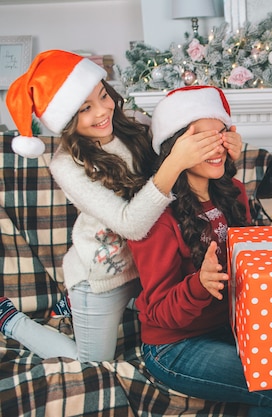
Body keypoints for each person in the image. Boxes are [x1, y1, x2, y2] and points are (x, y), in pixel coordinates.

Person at [0, 50, 242, 362]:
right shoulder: (67, 165)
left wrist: (225, 147)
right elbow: (130, 224)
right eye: (86, 108)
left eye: (103, 95)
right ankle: (12, 321)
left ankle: (71, 306)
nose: (103, 111)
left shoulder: (135, 127)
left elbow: (184, 144)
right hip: (105, 275)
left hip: (150, 267)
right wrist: (174, 162)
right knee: (91, 362)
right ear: (66, 121)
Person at [127, 85, 272, 417]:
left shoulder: (232, 191)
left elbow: (241, 264)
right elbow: (160, 312)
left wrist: (270, 239)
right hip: (174, 346)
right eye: (201, 139)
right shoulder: (156, 216)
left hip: (228, 326)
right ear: (175, 150)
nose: (216, 146)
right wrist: (198, 285)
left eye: (221, 133)